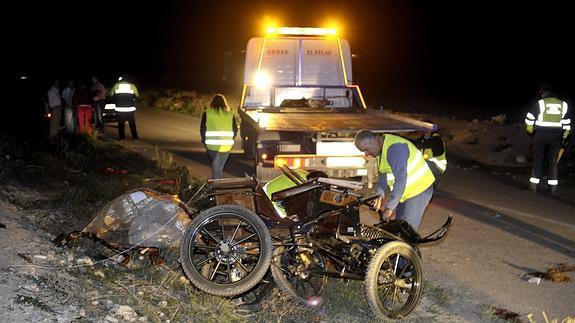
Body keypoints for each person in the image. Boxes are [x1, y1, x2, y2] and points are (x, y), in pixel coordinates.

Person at [354, 130, 435, 232]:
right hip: (406, 192)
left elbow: (401, 180)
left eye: (366, 149)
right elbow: (383, 173)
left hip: (419, 189)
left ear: (375, 140)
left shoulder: (395, 149)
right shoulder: (381, 149)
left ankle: (409, 247)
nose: (366, 154)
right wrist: (379, 196)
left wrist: (389, 208)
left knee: (408, 231)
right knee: (399, 228)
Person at [524, 84, 571, 195]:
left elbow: (529, 119)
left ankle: (533, 187)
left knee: (538, 159)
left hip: (540, 134)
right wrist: (565, 138)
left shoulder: (540, 103)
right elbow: (567, 124)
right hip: (556, 136)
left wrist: (531, 131)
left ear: (543, 92)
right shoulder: (563, 105)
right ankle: (553, 189)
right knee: (553, 162)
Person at [200, 94, 238, 179]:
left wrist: (204, 140)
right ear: (225, 103)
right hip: (226, 146)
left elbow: (203, 128)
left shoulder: (207, 113)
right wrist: (231, 138)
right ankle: (218, 186)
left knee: (216, 169)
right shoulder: (230, 114)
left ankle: (216, 188)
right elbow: (235, 129)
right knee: (219, 168)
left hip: (212, 146)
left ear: (212, 103)